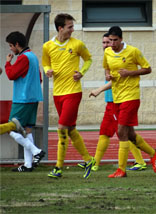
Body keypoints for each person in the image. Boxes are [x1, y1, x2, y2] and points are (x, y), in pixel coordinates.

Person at [77, 33, 147, 172]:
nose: (106, 45)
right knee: (105, 132)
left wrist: (99, 90)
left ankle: (140, 160)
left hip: (119, 102)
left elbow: (115, 81)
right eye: (104, 42)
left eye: (108, 42)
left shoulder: (122, 55)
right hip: (111, 102)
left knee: (122, 132)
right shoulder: (108, 57)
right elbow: (110, 77)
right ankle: (95, 162)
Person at [42, 13, 95, 179]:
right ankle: (88, 160)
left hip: (73, 92)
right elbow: (45, 62)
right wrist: (47, 70)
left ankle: (58, 168)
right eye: (70, 27)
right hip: (57, 93)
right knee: (70, 129)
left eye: (73, 26)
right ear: (60, 28)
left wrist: (82, 73)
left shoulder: (77, 44)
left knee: (61, 129)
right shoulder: (47, 46)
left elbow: (88, 60)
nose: (73, 30)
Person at [103, 26, 156, 178]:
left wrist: (130, 73)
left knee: (121, 131)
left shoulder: (132, 51)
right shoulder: (107, 52)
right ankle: (153, 153)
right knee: (130, 134)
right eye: (110, 41)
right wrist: (108, 75)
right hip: (117, 96)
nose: (112, 44)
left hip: (131, 96)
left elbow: (147, 68)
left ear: (121, 39)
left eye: (115, 40)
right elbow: (106, 68)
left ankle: (121, 169)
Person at [0, 31, 45, 172]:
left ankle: (36, 151)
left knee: (11, 128)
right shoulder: (33, 56)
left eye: (11, 45)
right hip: (33, 97)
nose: (10, 49)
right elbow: (39, 78)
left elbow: (12, 75)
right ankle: (28, 164)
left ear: (17, 44)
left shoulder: (23, 58)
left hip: (23, 98)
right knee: (27, 130)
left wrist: (8, 63)